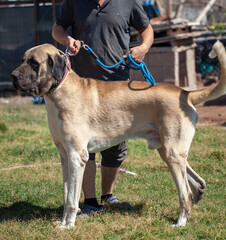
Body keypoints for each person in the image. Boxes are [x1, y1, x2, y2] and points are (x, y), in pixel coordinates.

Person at [52, 0, 154, 215]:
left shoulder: (128, 2)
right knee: (83, 145)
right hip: (81, 86)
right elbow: (58, 28)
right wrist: (67, 39)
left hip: (117, 85)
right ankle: (90, 201)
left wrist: (143, 48)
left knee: (116, 146)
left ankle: (108, 195)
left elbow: (147, 29)